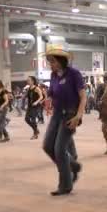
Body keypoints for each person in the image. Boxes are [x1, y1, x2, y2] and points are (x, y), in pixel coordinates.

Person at [42, 48, 86, 196]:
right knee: (48, 146)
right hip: (56, 114)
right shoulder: (53, 75)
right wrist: (48, 99)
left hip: (70, 114)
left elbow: (83, 97)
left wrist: (78, 116)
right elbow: (51, 92)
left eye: (52, 61)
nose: (50, 65)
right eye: (49, 62)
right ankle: (73, 165)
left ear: (61, 61)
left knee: (59, 149)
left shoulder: (74, 74)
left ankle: (65, 185)